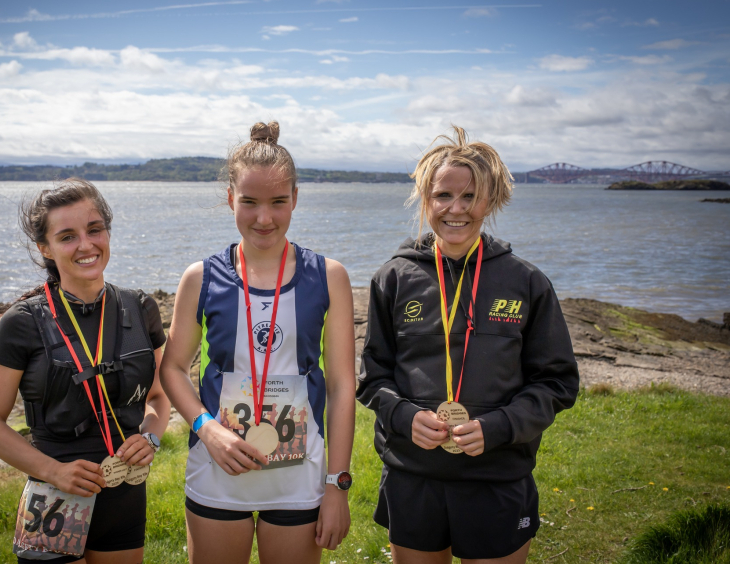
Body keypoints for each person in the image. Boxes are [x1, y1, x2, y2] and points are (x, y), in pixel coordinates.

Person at [356, 127, 580, 564]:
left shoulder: (526, 281)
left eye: (470, 196)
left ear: (490, 201)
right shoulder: (393, 278)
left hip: (497, 476)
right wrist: (404, 416)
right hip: (413, 476)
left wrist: (499, 426)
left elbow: (557, 383)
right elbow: (373, 377)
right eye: (443, 195)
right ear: (425, 199)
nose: (455, 209)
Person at [159, 122, 356, 564]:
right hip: (218, 468)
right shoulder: (201, 277)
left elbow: (343, 386)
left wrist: (337, 484)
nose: (263, 218)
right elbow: (172, 368)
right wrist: (206, 428)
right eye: (249, 202)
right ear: (231, 198)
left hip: (299, 475)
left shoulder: (329, 277)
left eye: (277, 202)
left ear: (295, 199)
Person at [0, 178, 171, 564]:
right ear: (45, 248)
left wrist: (151, 437)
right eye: (67, 236)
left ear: (108, 231)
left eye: (94, 230)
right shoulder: (22, 322)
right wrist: (52, 472)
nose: (86, 245)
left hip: (124, 494)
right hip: (52, 496)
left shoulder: (140, 309)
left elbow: (159, 396)